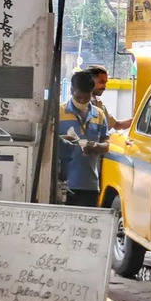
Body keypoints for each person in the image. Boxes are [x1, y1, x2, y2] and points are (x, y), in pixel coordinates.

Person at [58, 71, 110, 207]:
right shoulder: (58, 112)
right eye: (78, 97)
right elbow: (49, 143)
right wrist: (63, 139)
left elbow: (107, 144)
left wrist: (97, 147)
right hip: (63, 185)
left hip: (90, 185)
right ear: (71, 90)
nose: (82, 101)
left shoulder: (99, 115)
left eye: (86, 99)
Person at [85, 65, 131, 131]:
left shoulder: (98, 103)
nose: (104, 87)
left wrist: (137, 120)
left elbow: (117, 125)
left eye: (105, 83)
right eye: (101, 82)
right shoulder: (82, 103)